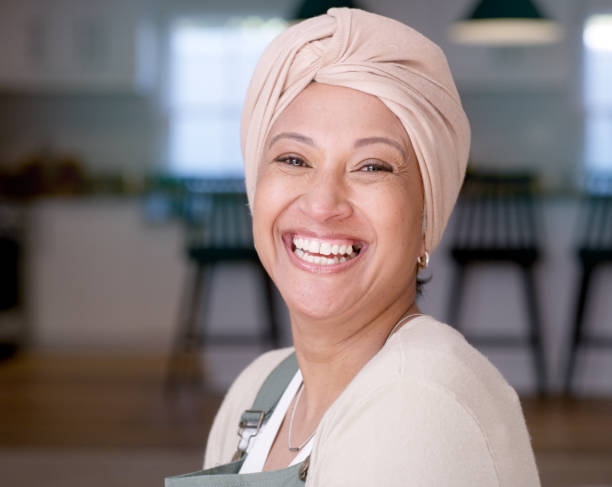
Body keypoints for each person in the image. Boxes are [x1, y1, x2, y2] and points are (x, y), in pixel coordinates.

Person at [166, 7, 540, 487]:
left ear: (427, 220)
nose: (323, 204)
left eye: (372, 167)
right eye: (294, 159)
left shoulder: (418, 402)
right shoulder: (258, 392)